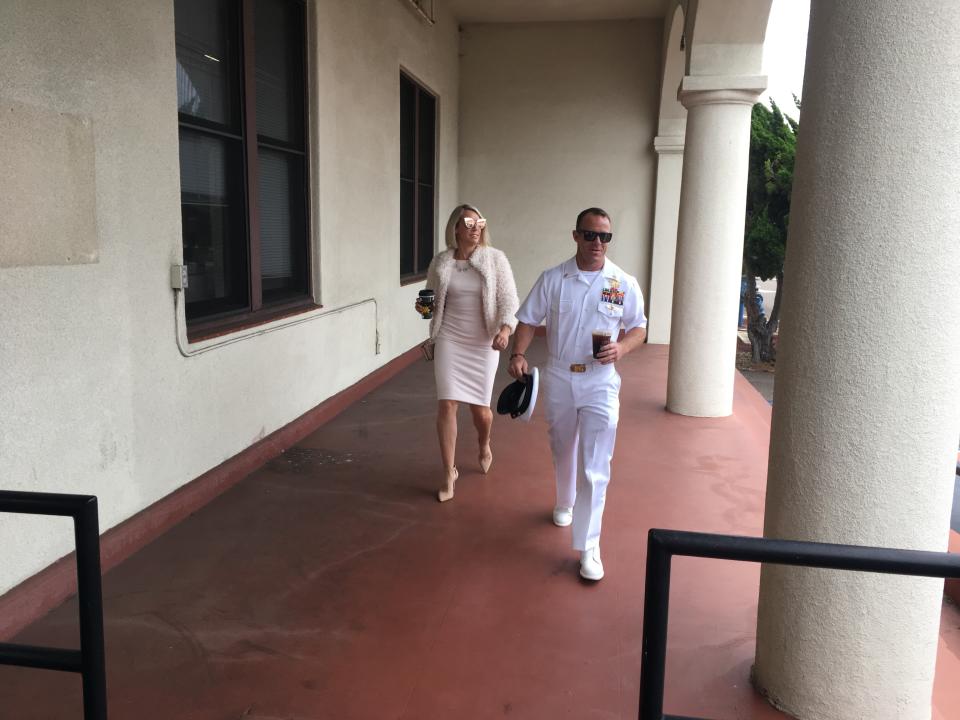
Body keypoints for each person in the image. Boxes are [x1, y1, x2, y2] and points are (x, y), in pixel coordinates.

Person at [508, 208, 647, 581]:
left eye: (605, 236)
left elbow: (638, 328)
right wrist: (518, 354)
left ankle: (589, 547)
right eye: (590, 235)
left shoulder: (621, 282)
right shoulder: (554, 279)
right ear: (575, 236)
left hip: (601, 380)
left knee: (596, 465)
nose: (598, 243)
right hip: (558, 375)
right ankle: (565, 500)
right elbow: (527, 320)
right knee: (562, 445)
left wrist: (623, 349)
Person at [417, 204, 519, 503]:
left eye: (480, 223)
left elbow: (509, 301)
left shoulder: (495, 259)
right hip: (450, 337)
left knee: (481, 412)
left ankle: (484, 443)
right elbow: (428, 297)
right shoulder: (441, 262)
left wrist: (505, 330)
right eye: (469, 223)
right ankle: (448, 472)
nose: (476, 227)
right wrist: (424, 308)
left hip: (483, 342)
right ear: (456, 229)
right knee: (447, 404)